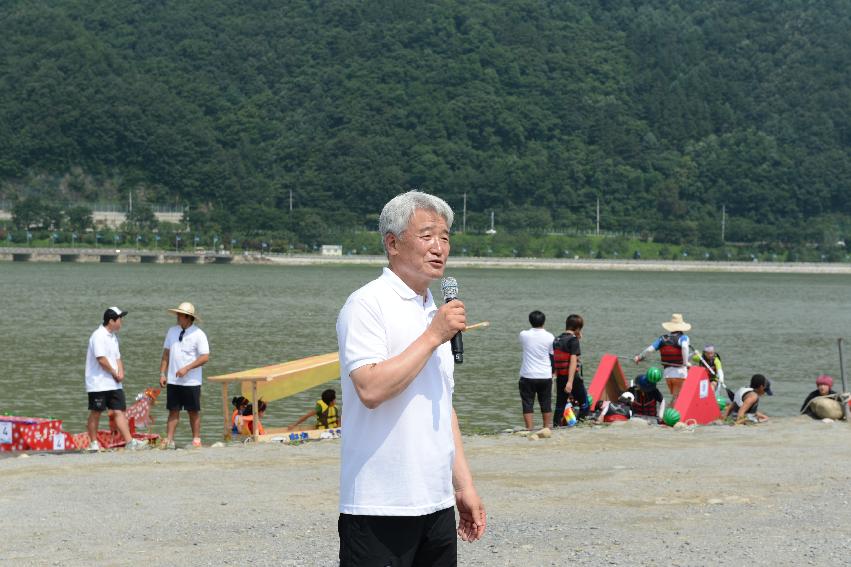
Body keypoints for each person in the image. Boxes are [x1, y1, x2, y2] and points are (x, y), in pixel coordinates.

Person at [336, 190, 485, 566]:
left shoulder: (435, 311)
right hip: (378, 504)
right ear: (392, 243)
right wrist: (434, 335)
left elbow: (442, 405)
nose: (439, 247)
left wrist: (463, 485)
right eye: (427, 236)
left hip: (435, 503)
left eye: (446, 237)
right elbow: (370, 388)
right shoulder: (367, 304)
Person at [84, 307, 147, 451]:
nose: (121, 322)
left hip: (114, 383)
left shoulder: (113, 337)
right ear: (111, 321)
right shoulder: (98, 335)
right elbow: (101, 359)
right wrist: (114, 372)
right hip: (98, 383)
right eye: (120, 319)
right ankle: (93, 443)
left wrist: (121, 372)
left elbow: (117, 358)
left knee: (119, 412)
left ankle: (130, 442)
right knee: (96, 412)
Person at [158, 302, 210, 449]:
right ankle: (169, 440)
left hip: (191, 381)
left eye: (180, 315)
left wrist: (187, 368)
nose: (177, 317)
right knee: (173, 411)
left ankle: (196, 440)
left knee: (193, 411)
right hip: (173, 380)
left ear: (188, 317)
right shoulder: (171, 331)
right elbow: (166, 354)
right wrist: (162, 373)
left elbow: (205, 357)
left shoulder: (198, 334)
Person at [634, 313, 691, 401]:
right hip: (680, 373)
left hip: (668, 375)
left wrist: (639, 357)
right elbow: (684, 347)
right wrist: (686, 362)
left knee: (675, 397)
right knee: (677, 398)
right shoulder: (683, 337)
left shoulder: (662, 339)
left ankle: (670, 412)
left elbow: (649, 350)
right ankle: (670, 414)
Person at [518, 310, 555, 430]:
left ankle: (529, 428)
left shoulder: (524, 334)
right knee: (546, 402)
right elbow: (552, 355)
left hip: (528, 374)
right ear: (544, 322)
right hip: (545, 374)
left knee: (527, 403)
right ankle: (546, 428)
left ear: (530, 321)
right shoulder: (550, 337)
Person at [553, 314, 587, 424]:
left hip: (560, 377)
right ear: (577, 329)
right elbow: (573, 361)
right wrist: (570, 382)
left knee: (560, 405)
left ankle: (555, 426)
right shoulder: (573, 341)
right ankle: (582, 425)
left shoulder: (557, 339)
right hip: (572, 378)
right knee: (584, 403)